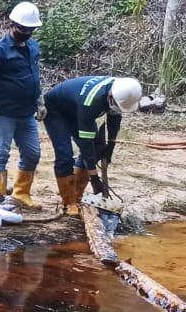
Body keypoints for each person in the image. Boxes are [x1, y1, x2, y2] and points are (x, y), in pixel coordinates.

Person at [42, 74, 143, 216]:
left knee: (97, 148)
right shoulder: (91, 101)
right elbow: (85, 143)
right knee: (65, 155)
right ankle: (68, 202)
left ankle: (76, 197)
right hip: (56, 110)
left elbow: (114, 121)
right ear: (111, 97)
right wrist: (94, 177)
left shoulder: (120, 91)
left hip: (76, 107)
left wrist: (110, 146)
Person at [0, 0, 44, 209]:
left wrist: (39, 100)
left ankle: (21, 194)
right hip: (4, 113)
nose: (27, 32)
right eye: (24, 29)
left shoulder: (33, 47)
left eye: (31, 29)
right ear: (12, 25)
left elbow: (34, 75)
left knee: (33, 153)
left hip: (26, 113)